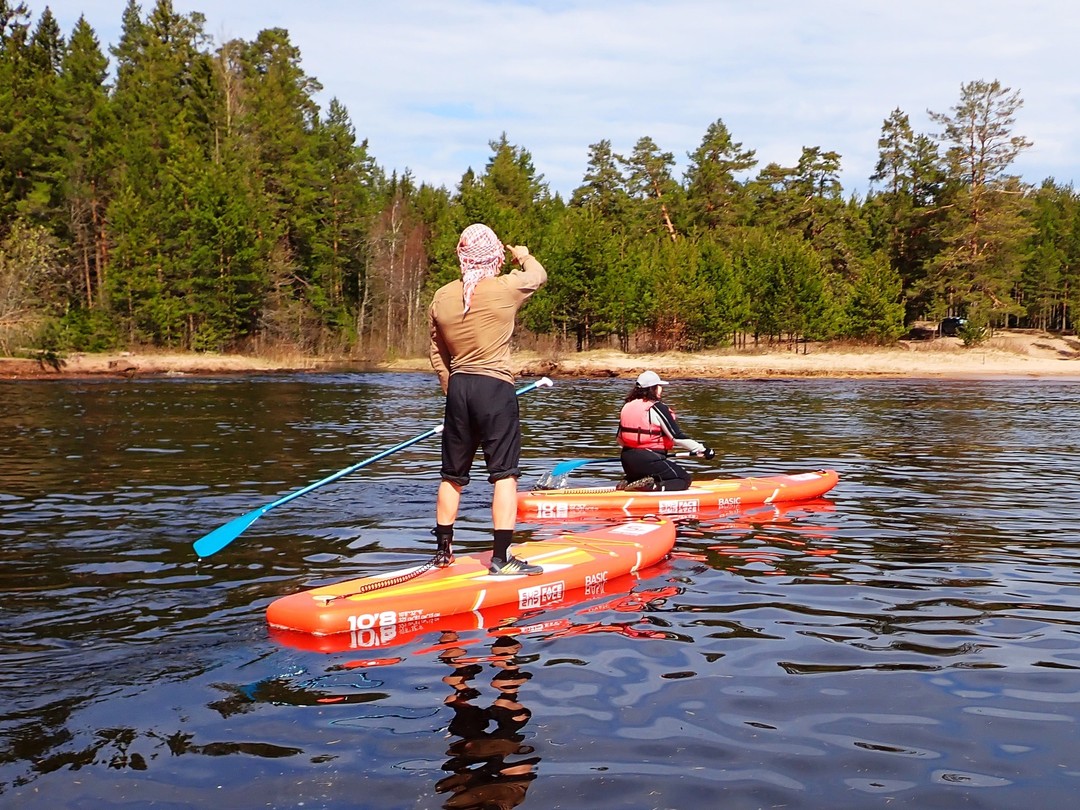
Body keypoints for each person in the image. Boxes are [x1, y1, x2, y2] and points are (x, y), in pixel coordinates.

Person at [429, 223, 547, 576]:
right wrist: (522, 255)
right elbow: (538, 275)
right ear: (493, 254)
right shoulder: (505, 287)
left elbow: (436, 352)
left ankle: (442, 553)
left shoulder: (441, 296)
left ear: (462, 256)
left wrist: (452, 388)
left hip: (460, 388)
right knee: (505, 475)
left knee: (452, 475)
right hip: (494, 387)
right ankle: (501, 558)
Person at [616, 370, 714, 491]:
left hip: (627, 459)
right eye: (659, 386)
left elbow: (620, 439)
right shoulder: (656, 407)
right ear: (653, 388)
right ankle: (650, 486)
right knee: (683, 479)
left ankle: (631, 480)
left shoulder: (627, 406)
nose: (661, 389)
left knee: (655, 472)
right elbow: (676, 437)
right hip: (650, 459)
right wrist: (703, 449)